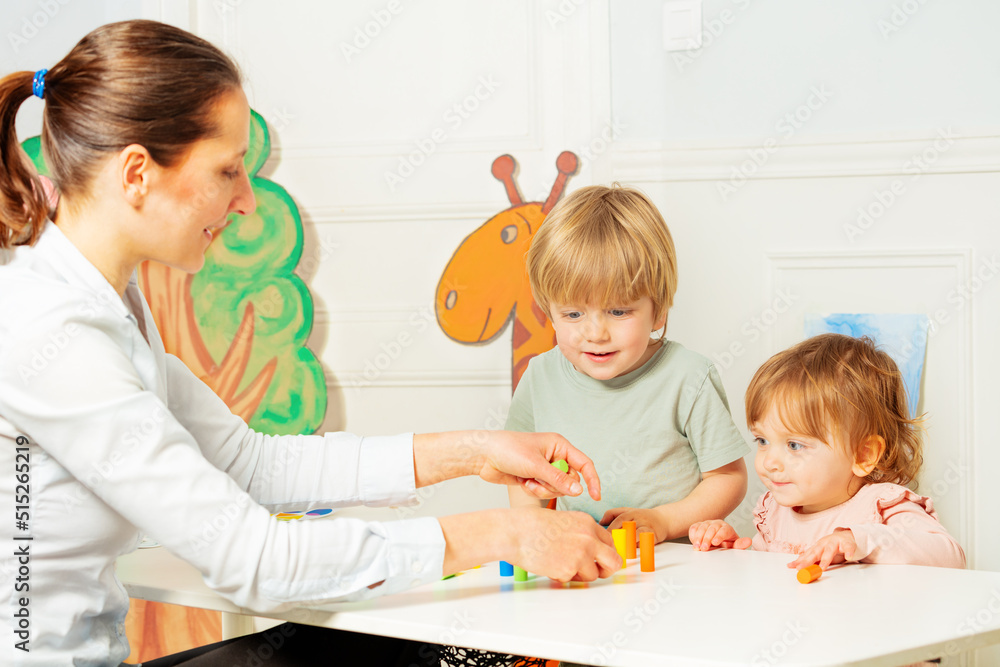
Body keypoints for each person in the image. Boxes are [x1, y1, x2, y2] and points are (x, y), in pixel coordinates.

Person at [0, 20, 622, 666]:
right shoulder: (50, 331)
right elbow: (252, 559)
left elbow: (249, 463)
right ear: (137, 173)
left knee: (360, 642)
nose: (245, 201)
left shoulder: (104, 299)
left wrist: (474, 450)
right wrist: (501, 533)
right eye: (228, 170)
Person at [506, 184, 749, 548]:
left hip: (672, 566)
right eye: (572, 313)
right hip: (580, 565)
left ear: (658, 310)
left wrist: (664, 521)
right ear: (549, 313)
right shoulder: (540, 377)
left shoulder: (689, 377)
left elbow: (728, 478)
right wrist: (534, 526)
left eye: (618, 311)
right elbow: (521, 472)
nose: (595, 333)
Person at [688, 333, 966, 571]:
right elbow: (770, 581)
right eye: (762, 440)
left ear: (864, 455)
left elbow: (951, 556)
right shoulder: (775, 510)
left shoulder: (881, 506)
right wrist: (731, 551)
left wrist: (860, 540)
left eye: (794, 445)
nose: (769, 462)